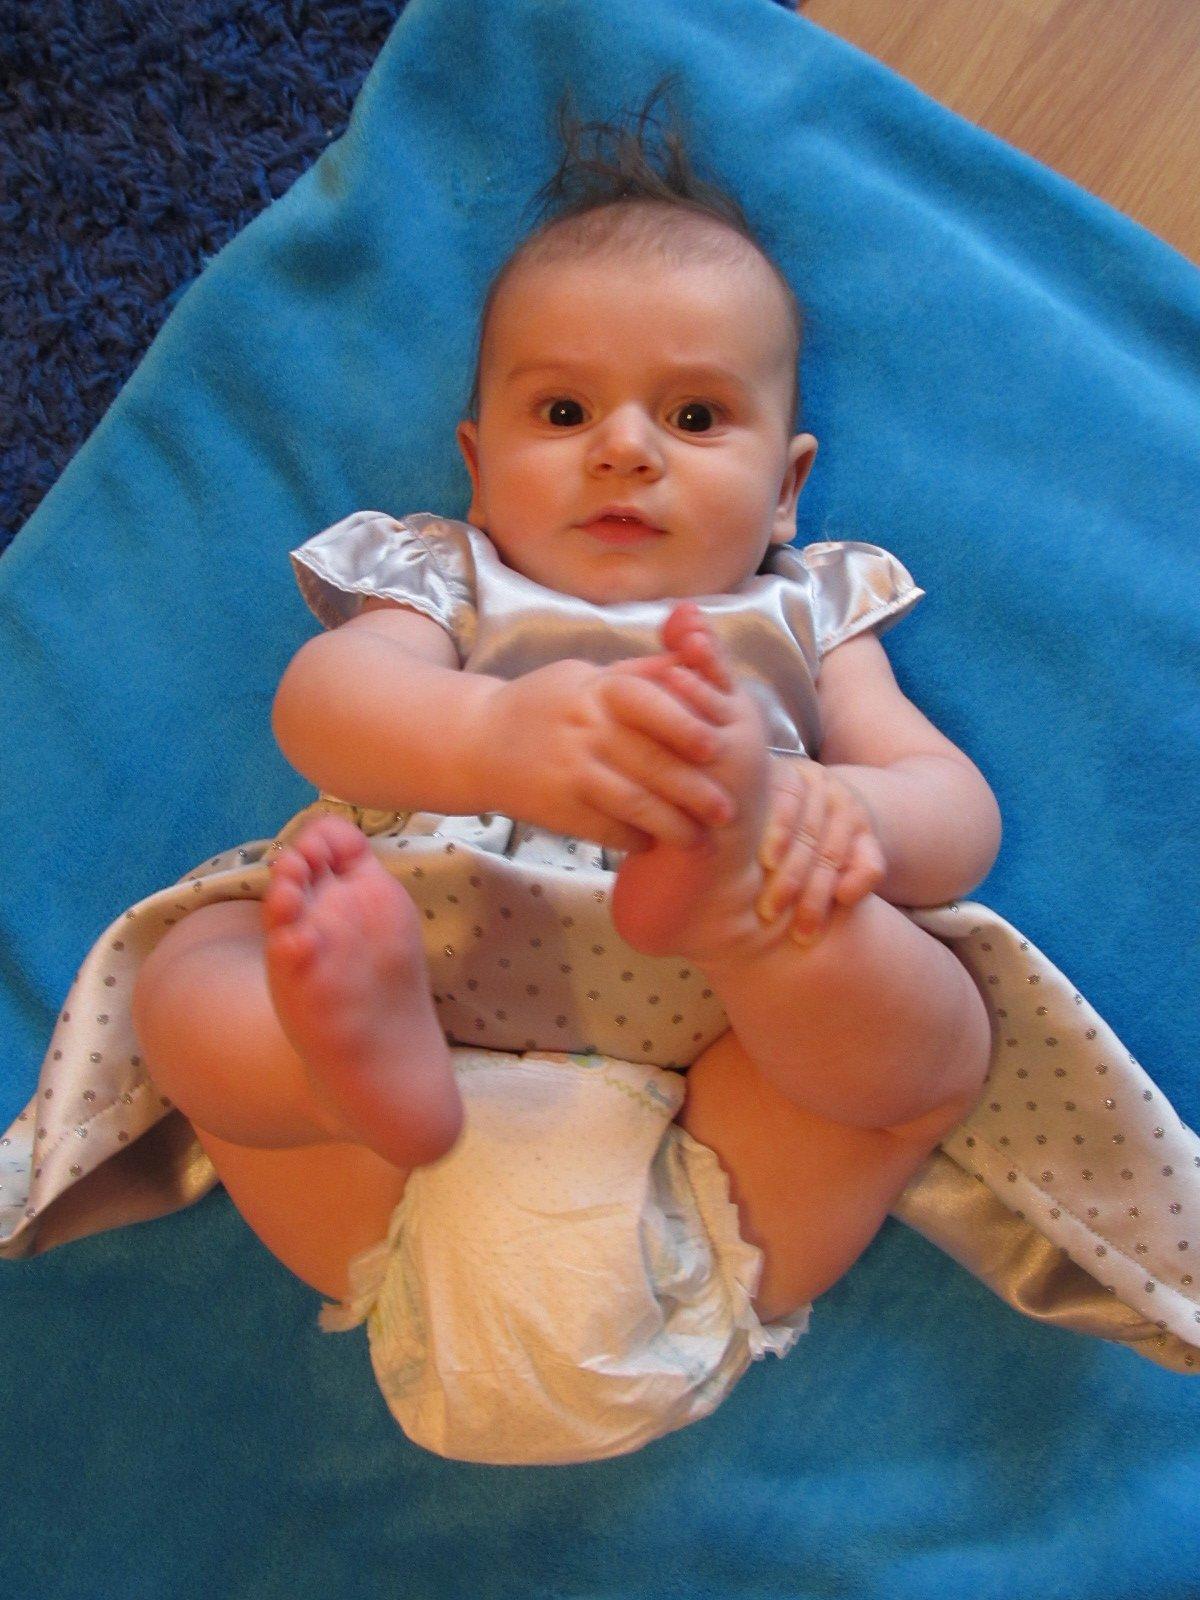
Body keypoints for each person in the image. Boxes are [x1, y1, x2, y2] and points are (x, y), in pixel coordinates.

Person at [21, 87, 1193, 1466]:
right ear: (477, 466)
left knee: (931, 1029)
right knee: (197, 982)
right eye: (565, 409)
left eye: (694, 414)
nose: (624, 448)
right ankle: (342, 1075)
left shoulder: (810, 608)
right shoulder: (447, 574)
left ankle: (738, 913)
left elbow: (955, 814)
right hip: (420, 1101)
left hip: (705, 1106)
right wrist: (491, 740)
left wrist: (838, 816)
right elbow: (327, 703)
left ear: (787, 488)